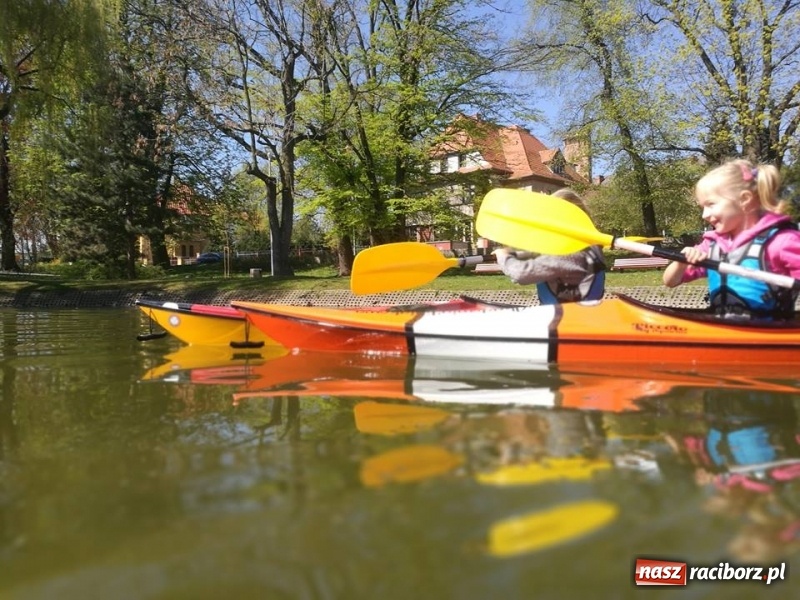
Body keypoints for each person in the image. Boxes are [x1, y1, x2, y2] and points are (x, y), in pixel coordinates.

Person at [663, 159, 800, 319]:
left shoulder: (781, 242)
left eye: (711, 204)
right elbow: (670, 282)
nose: (704, 215)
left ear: (744, 199)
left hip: (770, 336)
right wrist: (681, 262)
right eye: (703, 207)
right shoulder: (711, 245)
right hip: (724, 333)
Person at [492, 188, 606, 304]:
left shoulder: (572, 252)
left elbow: (521, 274)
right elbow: (539, 255)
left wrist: (503, 257)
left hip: (568, 319)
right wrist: (513, 254)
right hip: (579, 316)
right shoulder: (585, 246)